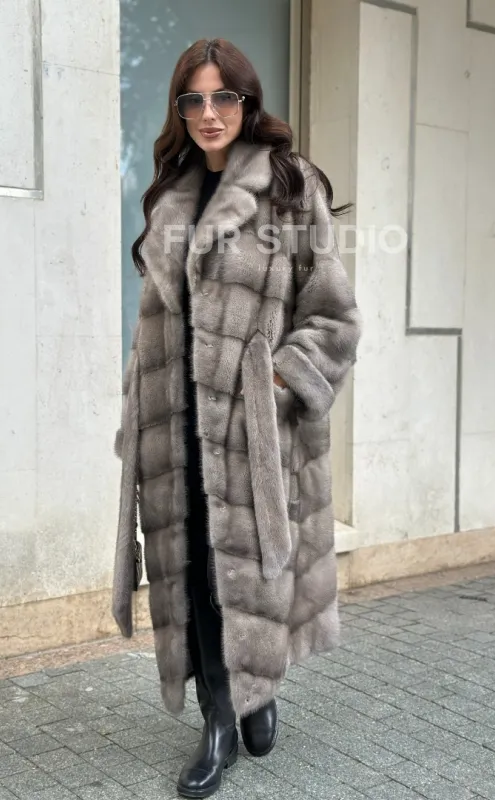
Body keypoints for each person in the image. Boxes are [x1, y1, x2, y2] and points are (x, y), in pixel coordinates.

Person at [112, 38, 362, 799]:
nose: (210, 113)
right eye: (194, 99)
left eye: (224, 96)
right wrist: (135, 410)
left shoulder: (289, 185)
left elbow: (334, 316)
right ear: (180, 109)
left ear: (248, 102)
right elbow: (157, 326)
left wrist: (278, 382)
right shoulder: (171, 195)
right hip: (176, 422)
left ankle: (257, 687)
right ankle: (220, 715)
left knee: (249, 573)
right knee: (196, 572)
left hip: (253, 426)